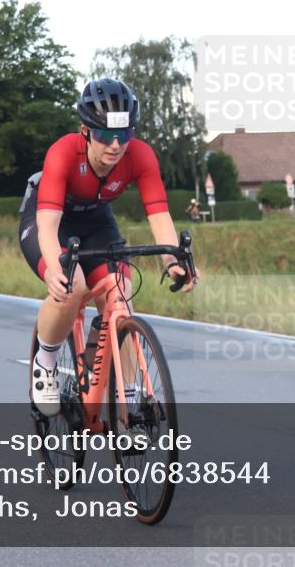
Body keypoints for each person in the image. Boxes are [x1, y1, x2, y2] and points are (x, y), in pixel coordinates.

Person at [19, 78, 198, 416]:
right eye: (104, 135)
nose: (115, 146)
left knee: (120, 293)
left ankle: (128, 399)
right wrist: (55, 269)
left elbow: (159, 216)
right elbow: (47, 226)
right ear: (85, 131)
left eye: (125, 135)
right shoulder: (63, 152)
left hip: (97, 223)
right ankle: (45, 361)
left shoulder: (141, 156)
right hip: (48, 220)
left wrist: (173, 260)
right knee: (72, 288)